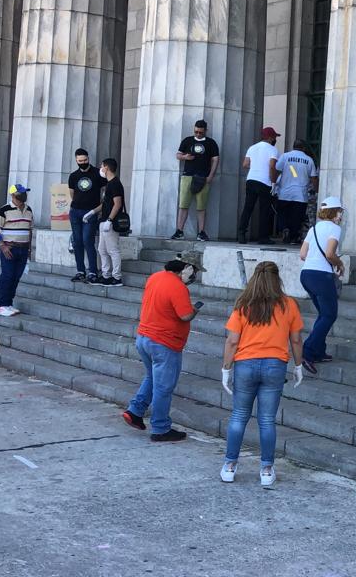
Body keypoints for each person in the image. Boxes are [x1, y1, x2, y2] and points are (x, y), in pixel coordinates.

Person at [219, 261, 305, 486]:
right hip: (275, 365)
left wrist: (226, 368)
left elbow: (232, 340)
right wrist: (298, 365)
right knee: (267, 420)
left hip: (245, 363)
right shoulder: (289, 305)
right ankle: (266, 469)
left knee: (239, 416)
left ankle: (230, 465)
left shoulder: (244, 304)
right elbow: (296, 339)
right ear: (278, 279)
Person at [121, 253, 206, 442]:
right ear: (188, 268)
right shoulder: (177, 286)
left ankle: (135, 411)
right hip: (164, 343)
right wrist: (196, 310)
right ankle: (160, 428)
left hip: (144, 337)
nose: (195, 277)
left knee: (152, 377)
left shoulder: (155, 277)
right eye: (195, 271)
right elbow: (185, 316)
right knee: (163, 387)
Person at [298, 196, 345, 373]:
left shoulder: (315, 228)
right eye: (340, 211)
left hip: (306, 274)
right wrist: (340, 264)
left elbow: (303, 254)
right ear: (335, 212)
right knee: (329, 315)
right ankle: (308, 352)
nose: (341, 215)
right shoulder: (335, 229)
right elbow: (330, 253)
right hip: (321, 276)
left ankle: (319, 351)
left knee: (323, 313)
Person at [172, 119, 220, 241]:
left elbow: (215, 160)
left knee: (201, 206)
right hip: (187, 175)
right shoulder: (187, 140)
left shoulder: (211, 143)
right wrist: (185, 157)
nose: (198, 134)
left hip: (203, 176)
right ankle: (179, 231)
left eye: (201, 132)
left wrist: (210, 176)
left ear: (205, 131)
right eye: (196, 132)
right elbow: (178, 155)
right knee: (183, 204)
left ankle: (201, 232)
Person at [0, 183, 33, 316]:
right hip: (9, 248)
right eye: (20, 194)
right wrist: (2, 245)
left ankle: (8, 303)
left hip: (23, 248)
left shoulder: (29, 210)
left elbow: (29, 230)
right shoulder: (4, 210)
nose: (23, 196)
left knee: (16, 277)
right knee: (7, 276)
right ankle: (2, 304)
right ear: (13, 195)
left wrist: (29, 249)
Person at [68, 148, 106, 284]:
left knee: (87, 241)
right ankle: (80, 271)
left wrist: (98, 209)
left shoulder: (98, 173)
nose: (83, 163)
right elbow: (72, 194)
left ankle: (92, 272)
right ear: (76, 160)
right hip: (75, 211)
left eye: (85, 160)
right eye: (80, 161)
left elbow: (104, 193)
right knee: (77, 241)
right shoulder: (73, 176)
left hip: (91, 211)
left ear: (88, 159)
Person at [238, 126, 281, 244]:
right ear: (271, 138)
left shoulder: (252, 148)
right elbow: (272, 166)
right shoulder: (273, 150)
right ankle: (263, 237)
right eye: (274, 137)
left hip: (251, 179)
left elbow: (245, 164)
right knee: (264, 210)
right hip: (264, 181)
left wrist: (256, 167)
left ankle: (241, 234)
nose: (275, 140)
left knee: (248, 207)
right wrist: (273, 182)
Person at [273, 140, 318, 244]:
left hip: (284, 193)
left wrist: (273, 184)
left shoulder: (285, 156)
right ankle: (293, 237)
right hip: (300, 195)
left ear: (293, 146)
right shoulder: (309, 159)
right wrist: (316, 190)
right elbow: (314, 178)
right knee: (296, 217)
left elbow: (277, 170)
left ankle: (284, 228)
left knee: (282, 214)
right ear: (304, 148)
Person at [97, 158, 126, 286]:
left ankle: (116, 277)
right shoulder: (109, 184)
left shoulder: (115, 184)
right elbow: (105, 204)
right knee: (102, 250)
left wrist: (109, 219)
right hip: (104, 221)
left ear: (106, 168)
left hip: (111, 222)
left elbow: (117, 204)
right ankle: (106, 275)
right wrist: (92, 212)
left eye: (102, 166)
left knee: (113, 250)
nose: (101, 168)